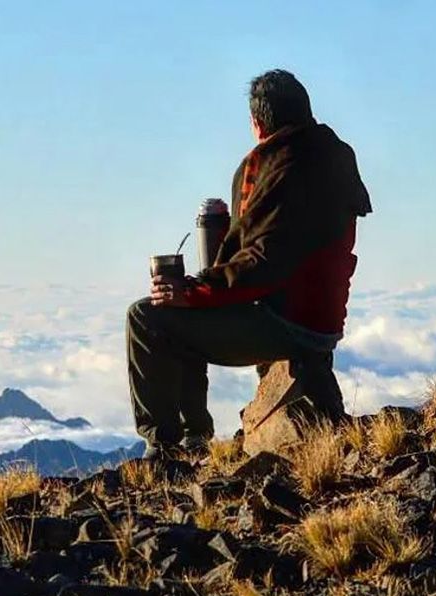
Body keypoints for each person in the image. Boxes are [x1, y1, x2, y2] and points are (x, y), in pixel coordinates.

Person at [126, 69, 372, 457]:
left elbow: (262, 263)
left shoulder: (278, 169)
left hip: (285, 321)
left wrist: (193, 290)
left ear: (258, 123)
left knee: (148, 316)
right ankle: (192, 437)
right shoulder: (332, 156)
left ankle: (169, 446)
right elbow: (281, 247)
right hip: (321, 319)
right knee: (184, 310)